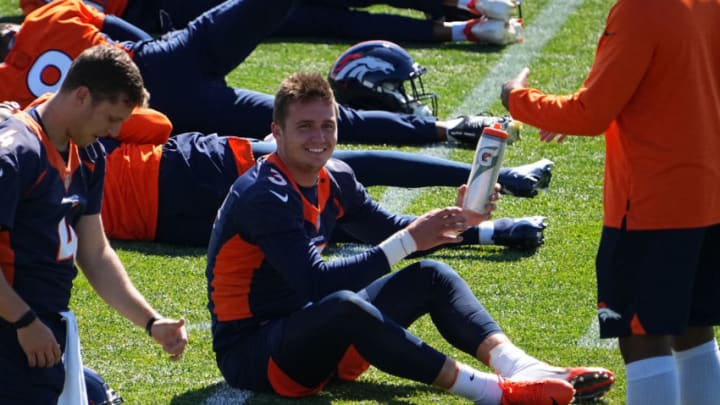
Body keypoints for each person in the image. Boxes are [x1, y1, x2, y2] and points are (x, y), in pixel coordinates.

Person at [206, 72, 615, 404]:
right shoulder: (264, 194)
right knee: (346, 303)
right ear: (276, 132)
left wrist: (459, 219)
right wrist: (410, 239)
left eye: (327, 125)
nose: (319, 138)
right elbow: (319, 283)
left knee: (430, 276)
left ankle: (521, 368)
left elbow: (388, 228)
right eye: (305, 127)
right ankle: (495, 394)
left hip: (321, 338)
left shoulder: (336, 177)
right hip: (257, 354)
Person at [500, 0, 720, 404]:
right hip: (707, 198)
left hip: (652, 208)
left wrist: (516, 99)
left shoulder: (639, 9)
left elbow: (591, 114)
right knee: (695, 330)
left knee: (642, 339)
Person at [0, 98, 551, 247]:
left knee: (327, 227)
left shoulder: (24, 170)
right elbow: (158, 123)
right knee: (339, 172)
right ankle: (486, 185)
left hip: (172, 225)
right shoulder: (54, 124)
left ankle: (489, 228)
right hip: (186, 169)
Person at [1, 0, 515, 145]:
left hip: (169, 108)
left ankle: (452, 129)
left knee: (311, 126)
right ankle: (456, 8)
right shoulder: (49, 15)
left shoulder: (7, 98)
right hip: (177, 53)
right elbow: (122, 33)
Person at [0, 45, 188, 402]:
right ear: (82, 95)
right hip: (13, 327)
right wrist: (22, 320)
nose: (115, 130)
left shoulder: (87, 154)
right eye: (111, 117)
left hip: (45, 325)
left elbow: (96, 253)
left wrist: (151, 321)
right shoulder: (16, 153)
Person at [18, 0, 523, 45]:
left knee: (316, 17)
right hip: (163, 15)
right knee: (312, 18)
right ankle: (460, 23)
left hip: (160, 19)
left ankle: (462, 16)